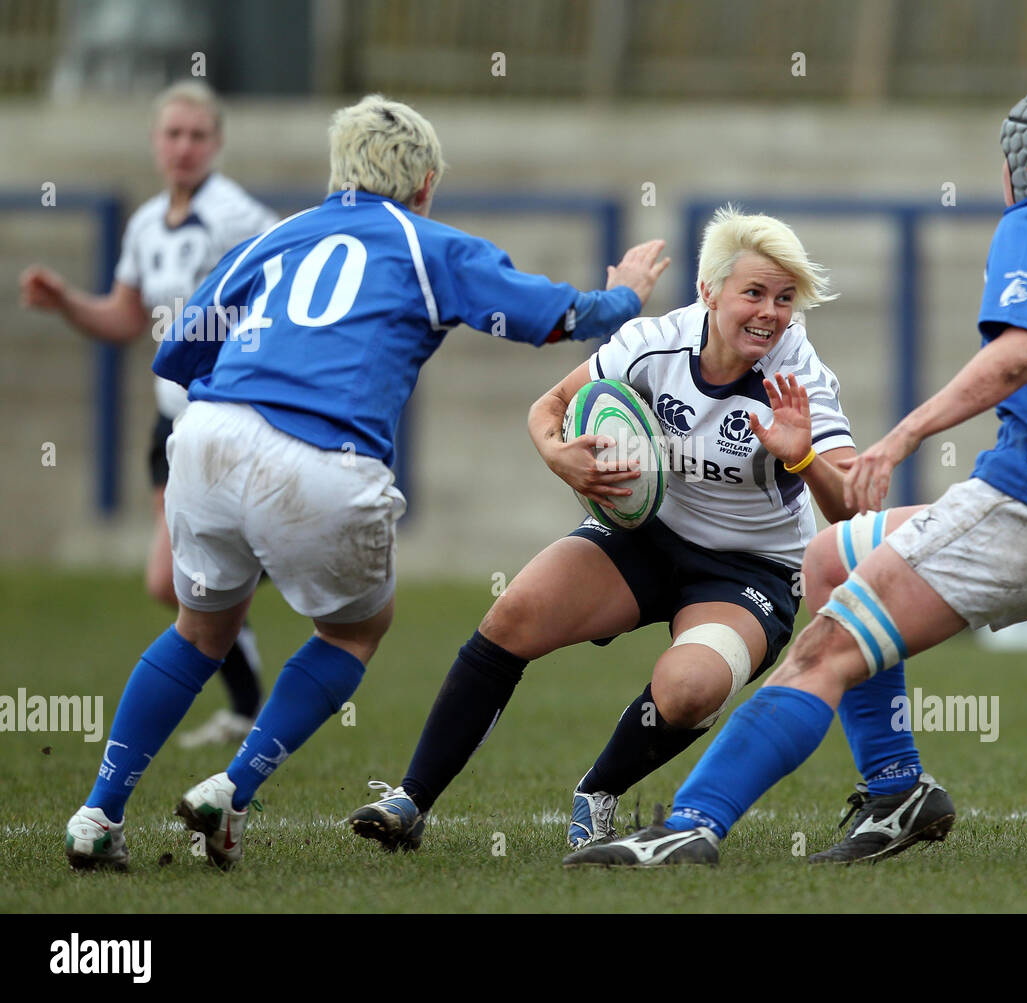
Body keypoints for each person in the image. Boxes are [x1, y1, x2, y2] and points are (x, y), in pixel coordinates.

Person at [563, 85, 1027, 868]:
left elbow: (1021, 352)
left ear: (1022, 164)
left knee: (822, 651)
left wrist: (898, 439)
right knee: (831, 557)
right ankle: (897, 787)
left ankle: (689, 825)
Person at [61, 93, 669, 871]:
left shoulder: (278, 235)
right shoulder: (424, 243)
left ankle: (97, 813)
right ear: (423, 185)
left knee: (198, 631)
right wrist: (624, 293)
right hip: (320, 456)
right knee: (353, 631)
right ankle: (231, 788)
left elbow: (176, 349)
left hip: (210, 434)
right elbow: (554, 316)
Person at [345, 205, 954, 863]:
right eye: (753, 293)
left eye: (784, 299)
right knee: (513, 615)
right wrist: (559, 455)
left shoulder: (795, 371)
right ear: (708, 291)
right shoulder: (653, 342)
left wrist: (803, 457)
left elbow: (848, 515)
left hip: (749, 569)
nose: (770, 313)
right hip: (643, 536)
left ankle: (600, 789)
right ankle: (410, 800)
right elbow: (547, 407)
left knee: (689, 688)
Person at [20, 80, 275, 747]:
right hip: (173, 423)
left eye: (197, 135)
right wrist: (67, 301)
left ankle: (253, 686)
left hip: (229, 420)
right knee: (175, 583)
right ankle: (249, 702)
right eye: (173, 134)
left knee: (178, 577)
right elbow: (126, 316)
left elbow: (285, 303)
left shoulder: (240, 219)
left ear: (217, 143)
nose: (184, 147)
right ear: (157, 142)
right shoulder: (143, 224)